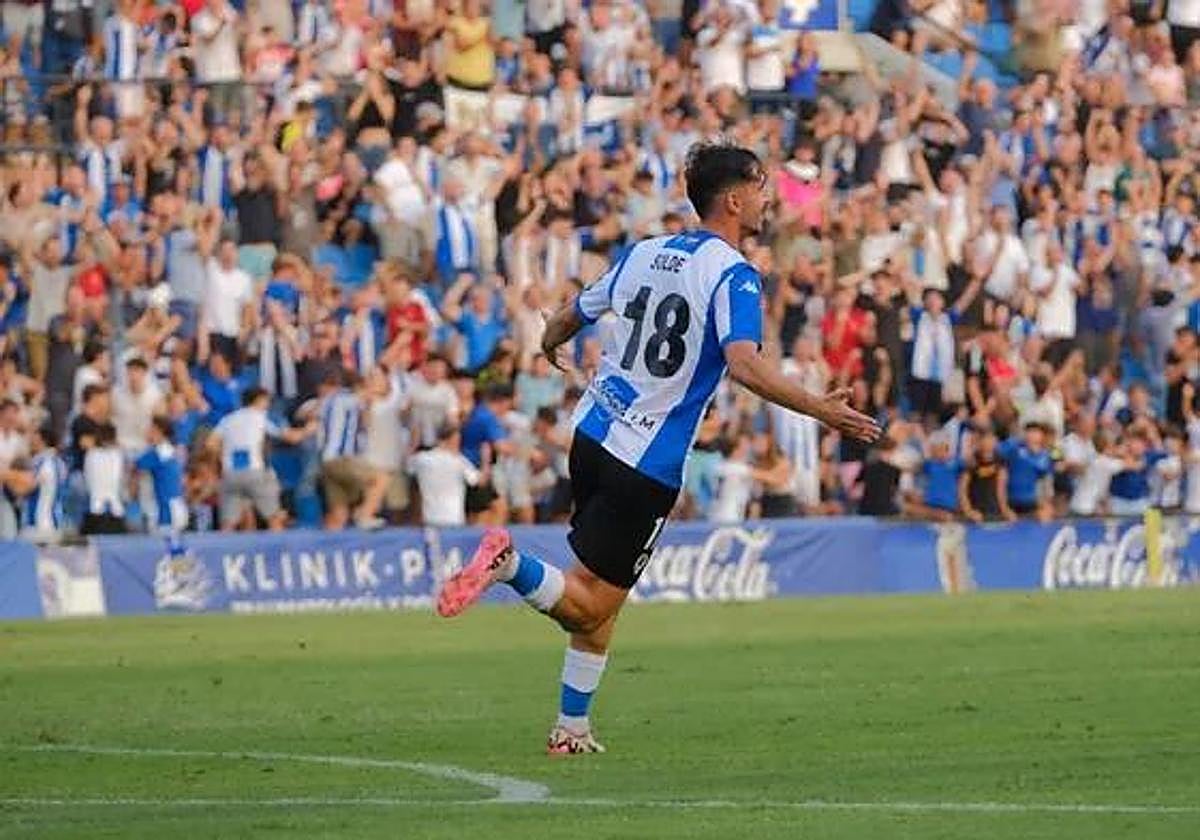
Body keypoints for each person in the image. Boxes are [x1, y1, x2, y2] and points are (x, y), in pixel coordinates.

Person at [434, 142, 881, 754]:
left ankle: (572, 728)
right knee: (589, 605)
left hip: (591, 435)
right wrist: (820, 409)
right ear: (733, 199)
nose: (768, 198)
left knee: (603, 595)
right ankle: (508, 563)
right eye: (760, 187)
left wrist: (548, 345)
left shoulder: (646, 251)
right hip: (645, 462)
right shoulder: (733, 275)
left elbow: (572, 313)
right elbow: (745, 367)